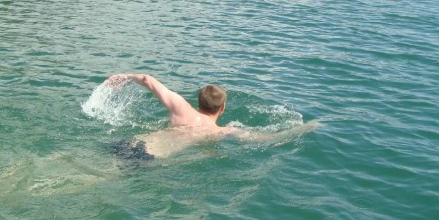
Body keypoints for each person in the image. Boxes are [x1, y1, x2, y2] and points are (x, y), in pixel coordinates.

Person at [106, 73, 314, 160]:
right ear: (222, 108)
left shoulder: (181, 109)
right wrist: (304, 128)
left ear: (198, 102)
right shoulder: (221, 132)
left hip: (131, 142)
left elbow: (146, 79)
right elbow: (265, 139)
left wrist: (124, 77)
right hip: (147, 158)